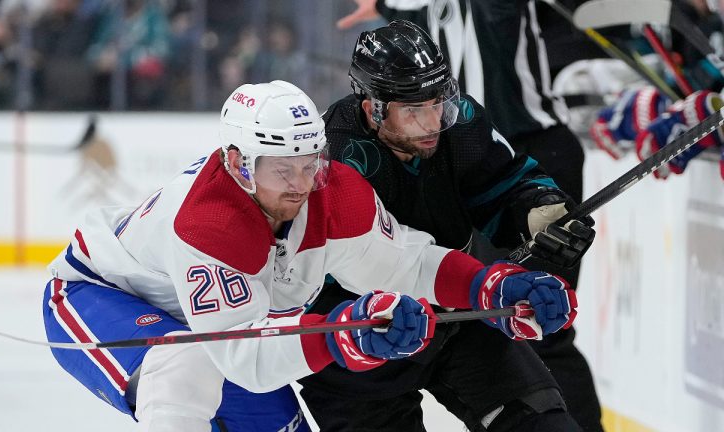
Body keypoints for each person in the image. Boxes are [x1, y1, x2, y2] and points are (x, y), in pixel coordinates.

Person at [42, 79, 579, 431]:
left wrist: (493, 285)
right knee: (182, 369)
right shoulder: (210, 223)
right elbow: (246, 359)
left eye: (309, 162)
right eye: (282, 167)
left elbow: (408, 264)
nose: (301, 184)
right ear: (237, 162)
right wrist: (345, 334)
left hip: (217, 321)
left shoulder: (336, 190)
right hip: (96, 297)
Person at [297, 21, 592, 432]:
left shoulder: (462, 122)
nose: (432, 121)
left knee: (545, 425)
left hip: (461, 315)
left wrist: (540, 209)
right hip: (363, 340)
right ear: (373, 108)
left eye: (437, 101)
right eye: (414, 110)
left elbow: (509, 182)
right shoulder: (333, 155)